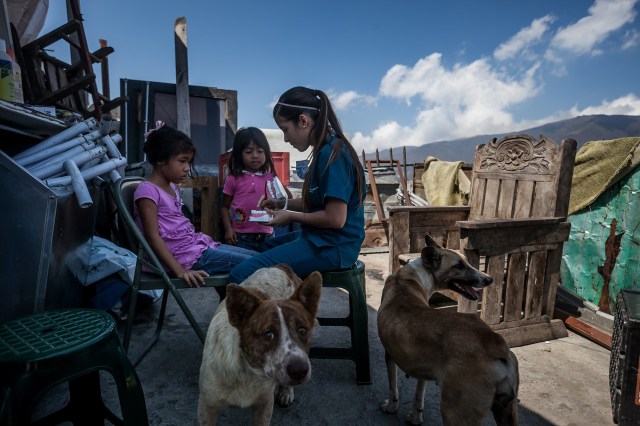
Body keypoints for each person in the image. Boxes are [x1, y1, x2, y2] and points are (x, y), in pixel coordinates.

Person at [228, 86, 366, 284]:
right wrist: (281, 203)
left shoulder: (334, 155)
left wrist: (290, 216)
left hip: (333, 247)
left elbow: (335, 219)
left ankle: (272, 314)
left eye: (285, 129)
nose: (285, 138)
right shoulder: (323, 151)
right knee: (252, 252)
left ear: (303, 121)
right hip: (319, 239)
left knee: (239, 275)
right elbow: (317, 202)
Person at [134, 122, 257, 299]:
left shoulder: (171, 187)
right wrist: (180, 271)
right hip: (183, 258)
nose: (187, 168)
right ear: (160, 159)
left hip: (194, 248)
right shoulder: (147, 191)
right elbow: (152, 236)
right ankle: (240, 312)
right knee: (254, 264)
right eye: (182, 161)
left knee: (257, 257)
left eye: (189, 162)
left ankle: (230, 306)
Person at [220, 127, 277, 252]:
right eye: (248, 151)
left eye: (260, 151)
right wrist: (228, 229)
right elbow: (224, 207)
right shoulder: (233, 178)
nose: (255, 156)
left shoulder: (271, 177)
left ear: (266, 153)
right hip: (240, 238)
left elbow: (286, 199)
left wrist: (276, 180)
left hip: (267, 236)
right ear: (239, 154)